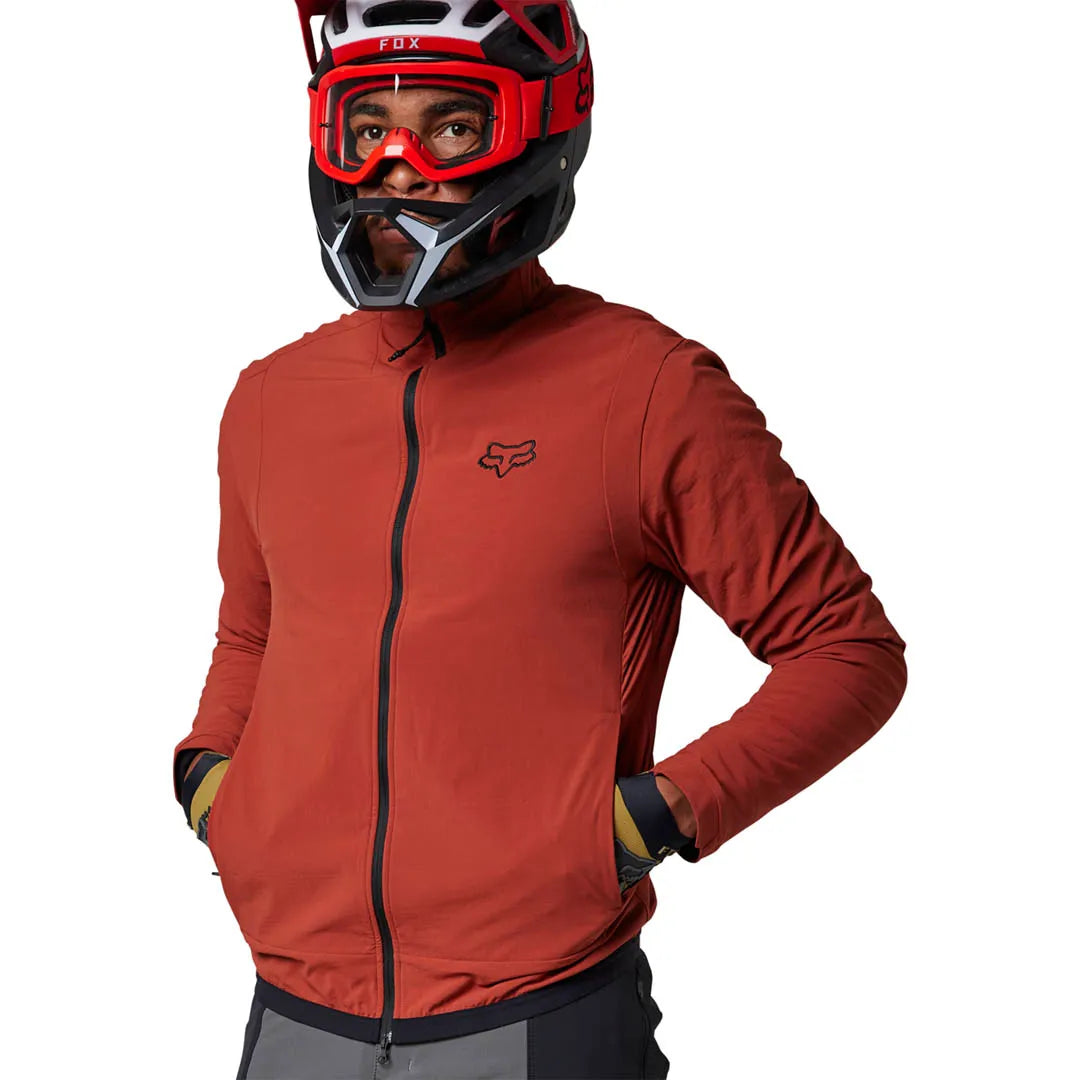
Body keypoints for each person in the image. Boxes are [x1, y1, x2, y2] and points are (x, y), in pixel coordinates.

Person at [171, 3, 908, 1077]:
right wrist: (213, 784)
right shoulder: (271, 400)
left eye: (449, 126)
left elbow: (846, 649)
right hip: (293, 1010)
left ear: (537, 127)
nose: (397, 164)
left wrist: (648, 819)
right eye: (367, 125)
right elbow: (256, 633)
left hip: (538, 1015)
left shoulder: (647, 390)